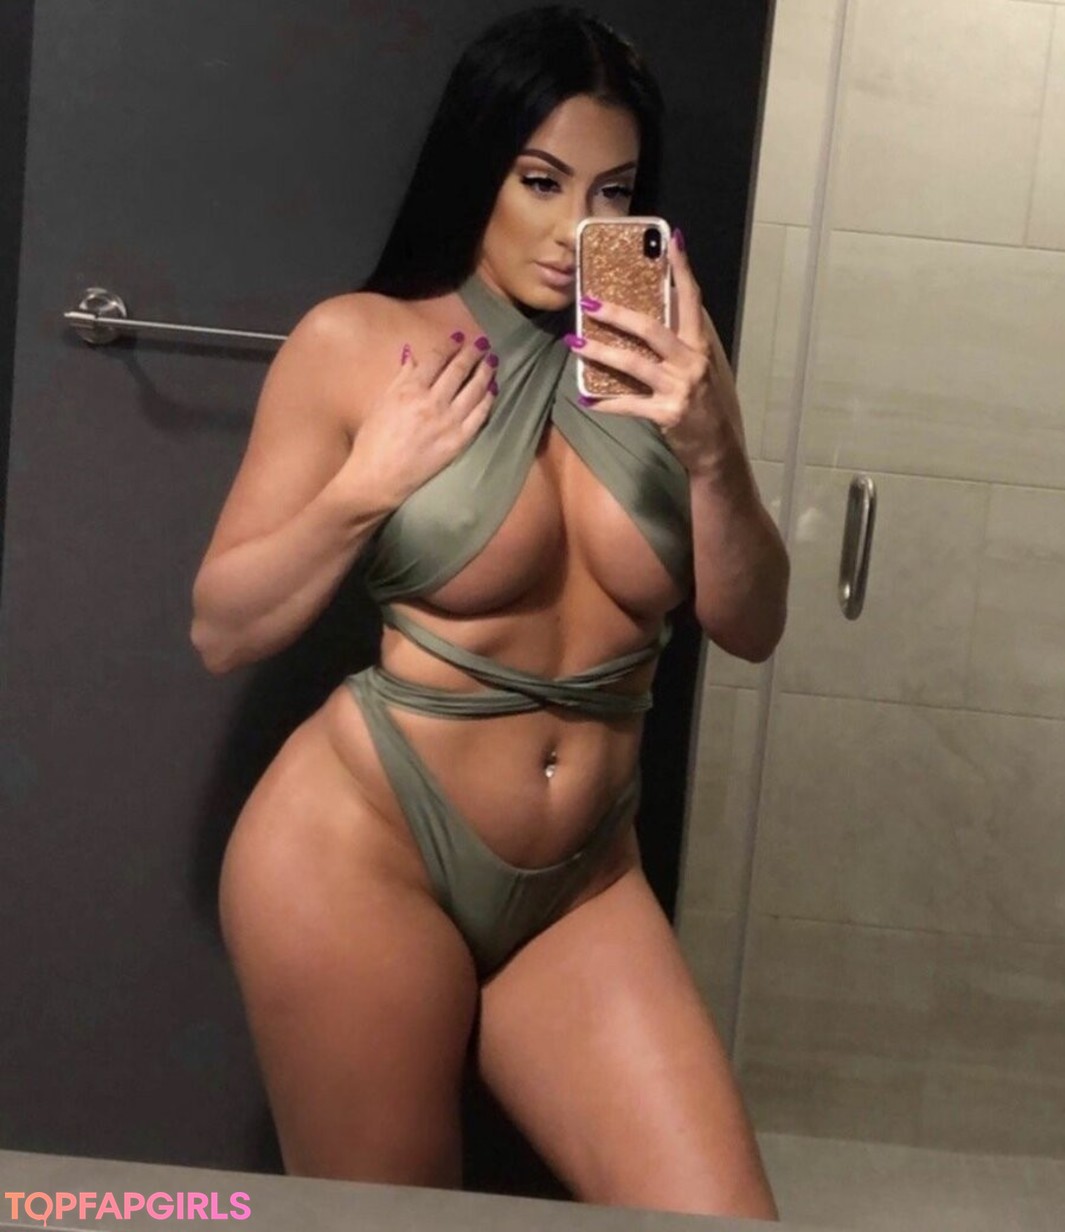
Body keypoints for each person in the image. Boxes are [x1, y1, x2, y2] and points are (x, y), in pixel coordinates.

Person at [190, 4, 787, 1221]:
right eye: (541, 180)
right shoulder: (358, 342)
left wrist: (714, 451)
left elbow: (754, 622)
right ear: (481, 167)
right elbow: (223, 627)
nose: (577, 231)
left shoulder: (674, 355)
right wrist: (363, 490)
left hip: (583, 877)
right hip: (361, 849)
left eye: (613, 193)